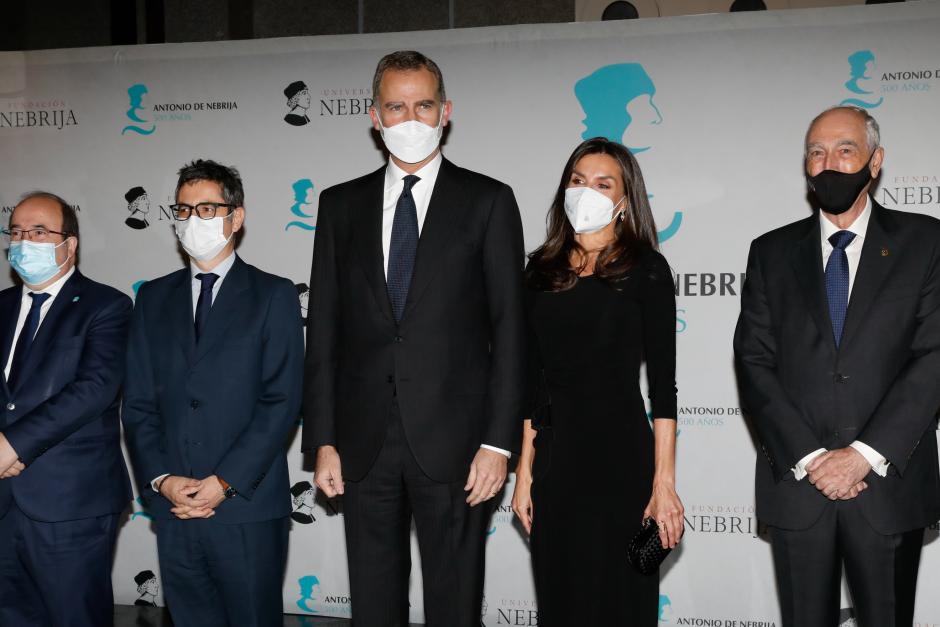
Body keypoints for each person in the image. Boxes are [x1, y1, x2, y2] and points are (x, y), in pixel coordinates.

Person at [302, 50, 525, 627]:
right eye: (395, 107)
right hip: (362, 441)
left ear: (445, 111)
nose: (410, 120)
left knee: (454, 603)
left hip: (458, 444)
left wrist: (498, 444)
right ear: (374, 116)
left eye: (423, 105)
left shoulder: (488, 201)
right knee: (374, 604)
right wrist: (323, 439)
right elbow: (323, 330)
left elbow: (510, 329)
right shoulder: (339, 205)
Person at [734, 106, 940, 627]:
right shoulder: (770, 252)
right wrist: (811, 458)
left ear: (876, 161)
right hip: (798, 487)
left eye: (845, 150)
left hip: (888, 486)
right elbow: (754, 361)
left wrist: (863, 456)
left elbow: (934, 355)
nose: (829, 164)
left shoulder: (927, 243)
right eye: (816, 152)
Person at [122, 159, 304, 627]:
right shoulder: (153, 298)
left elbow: (281, 401)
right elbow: (139, 402)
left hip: (245, 507)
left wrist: (223, 483)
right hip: (175, 507)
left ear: (235, 217)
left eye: (206, 208)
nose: (192, 221)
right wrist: (161, 480)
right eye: (183, 210)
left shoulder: (273, 294)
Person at [511, 137, 682, 627]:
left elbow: (664, 390)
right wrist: (525, 472)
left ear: (625, 200)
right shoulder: (539, 272)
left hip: (621, 463)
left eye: (603, 183)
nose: (587, 191)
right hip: (556, 463)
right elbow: (532, 383)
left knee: (620, 603)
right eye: (578, 181)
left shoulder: (646, 269)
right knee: (562, 600)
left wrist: (663, 483)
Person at [0, 191, 132, 627]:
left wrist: (12, 445)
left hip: (71, 503)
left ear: (69, 243)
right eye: (16, 232)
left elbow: (94, 389)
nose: (24, 242)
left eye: (39, 232)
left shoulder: (106, 306)